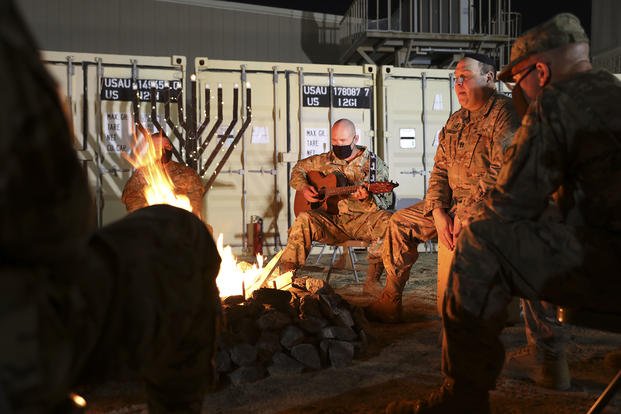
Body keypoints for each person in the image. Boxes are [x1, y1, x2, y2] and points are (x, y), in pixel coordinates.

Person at [388, 13, 621, 413]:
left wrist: (468, 217)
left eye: (520, 81)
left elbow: (511, 199)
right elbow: (442, 171)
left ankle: (464, 396)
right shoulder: (613, 91)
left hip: (609, 265)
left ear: (541, 70)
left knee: (483, 241)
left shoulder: (557, 101)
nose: (520, 91)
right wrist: (441, 209)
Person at [0, 2, 221, 412]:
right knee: (179, 241)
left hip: (33, 296)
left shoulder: (185, 173)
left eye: (156, 143)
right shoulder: (139, 176)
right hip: (27, 313)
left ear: (167, 145)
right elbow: (90, 209)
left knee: (183, 230)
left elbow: (189, 199)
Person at [366, 53, 520, 323]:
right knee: (400, 222)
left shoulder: (505, 114)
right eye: (456, 78)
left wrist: (466, 211)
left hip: (492, 206)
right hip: (453, 206)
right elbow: (439, 170)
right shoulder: (456, 121)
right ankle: (390, 299)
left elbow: (503, 170)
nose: (459, 84)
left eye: (466, 77)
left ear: (489, 78)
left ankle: (486, 313)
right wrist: (437, 211)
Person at [279, 118, 392, 286]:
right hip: (332, 222)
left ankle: (372, 281)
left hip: (362, 222)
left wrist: (367, 197)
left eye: (343, 141)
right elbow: (298, 169)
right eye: (334, 141)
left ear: (355, 139)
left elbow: (385, 202)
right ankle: (285, 279)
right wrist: (304, 188)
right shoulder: (323, 161)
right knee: (304, 219)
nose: (338, 145)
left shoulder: (375, 165)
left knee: (388, 220)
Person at [122, 133, 206, 220]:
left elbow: (195, 199)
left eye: (166, 146)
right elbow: (131, 198)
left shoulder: (187, 173)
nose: (163, 150)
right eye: (158, 147)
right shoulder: (142, 174)